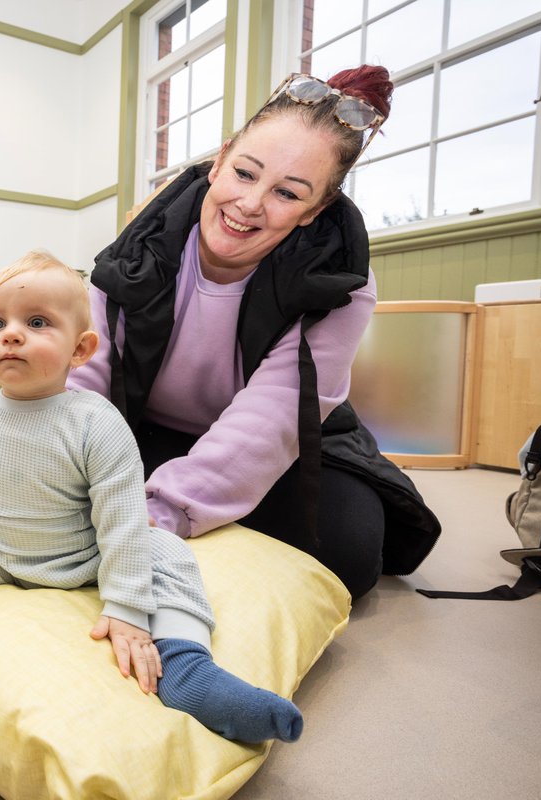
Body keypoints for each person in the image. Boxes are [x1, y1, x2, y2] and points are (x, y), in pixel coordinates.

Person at [0, 251, 304, 755]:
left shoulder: (96, 421)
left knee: (166, 554)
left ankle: (186, 667)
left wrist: (129, 607)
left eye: (38, 322)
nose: (13, 334)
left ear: (80, 348)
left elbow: (120, 521)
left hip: (83, 549)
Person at [67, 66, 441, 600]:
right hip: (147, 421)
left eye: (287, 193)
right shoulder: (139, 245)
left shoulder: (340, 282)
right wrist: (37, 458)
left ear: (316, 211)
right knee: (70, 481)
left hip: (287, 436)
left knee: (348, 553)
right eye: (244, 173)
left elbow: (277, 412)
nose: (249, 204)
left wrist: (159, 515)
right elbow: (88, 367)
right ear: (219, 161)